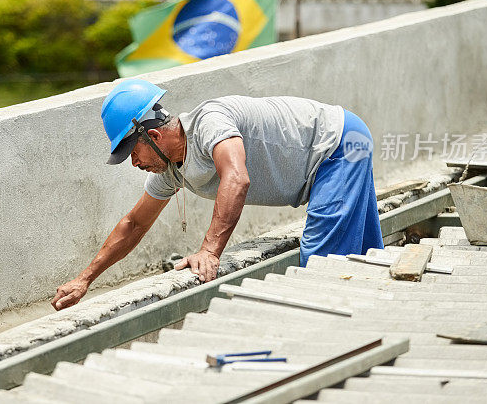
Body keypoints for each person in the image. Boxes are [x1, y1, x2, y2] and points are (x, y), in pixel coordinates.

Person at [51, 79, 383, 310]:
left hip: (338, 144)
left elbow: (236, 179)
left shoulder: (210, 122)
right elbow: (134, 223)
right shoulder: (171, 168)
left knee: (321, 268)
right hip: (340, 143)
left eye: (132, 153)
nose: (134, 163)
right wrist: (84, 280)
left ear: (152, 135)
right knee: (363, 256)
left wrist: (209, 251)